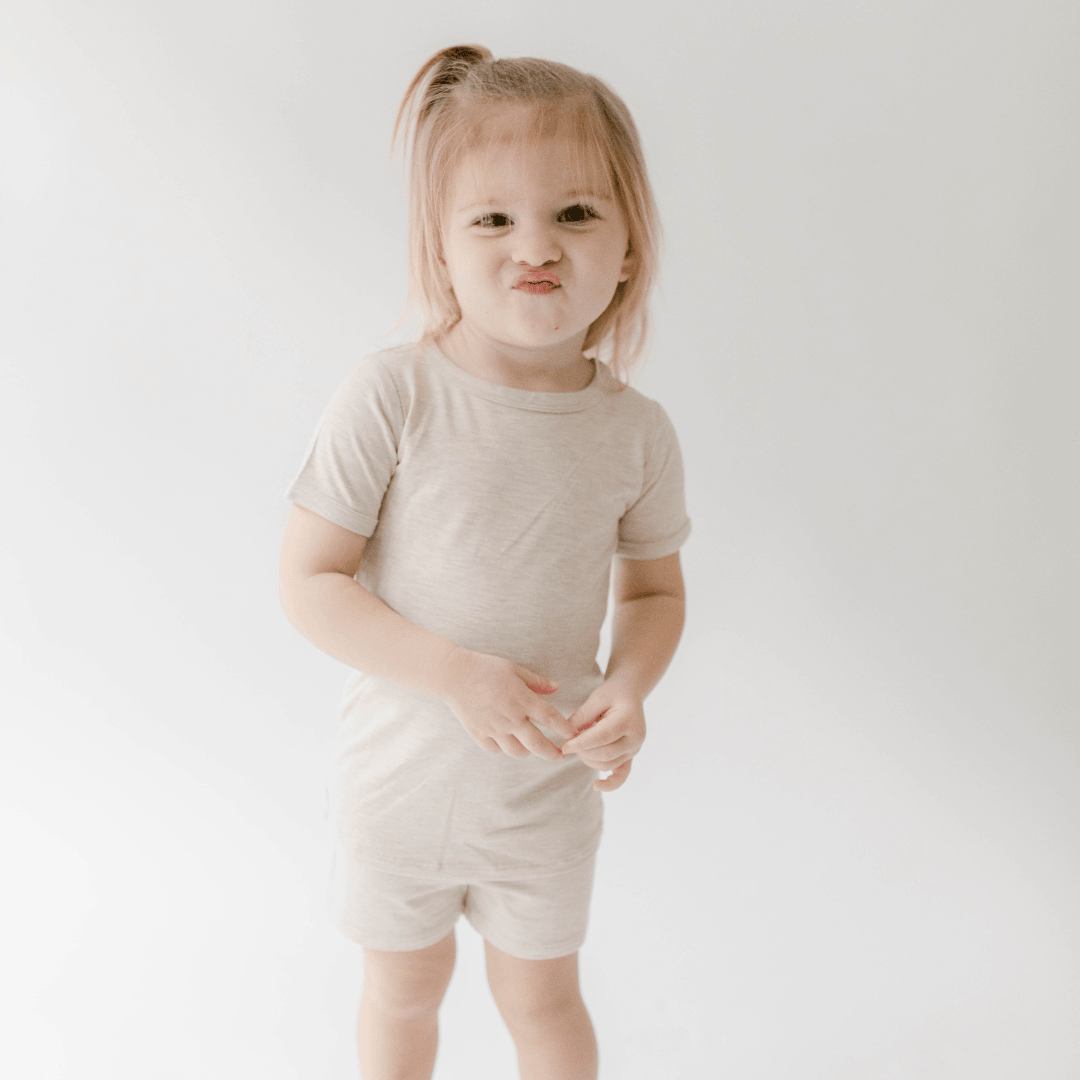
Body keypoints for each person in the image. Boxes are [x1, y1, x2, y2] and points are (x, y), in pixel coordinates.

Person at [278, 44, 691, 1080]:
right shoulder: (394, 394)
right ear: (442, 247)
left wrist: (630, 686)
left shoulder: (635, 432)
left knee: (543, 1003)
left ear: (629, 247)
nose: (535, 245)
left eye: (576, 214)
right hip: (399, 792)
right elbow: (310, 583)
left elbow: (653, 589)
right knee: (403, 992)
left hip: (543, 792)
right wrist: (458, 673)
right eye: (494, 219)